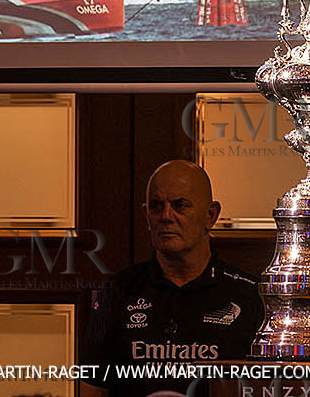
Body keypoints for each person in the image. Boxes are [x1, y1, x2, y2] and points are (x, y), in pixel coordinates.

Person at [81, 159, 265, 397]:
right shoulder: (117, 292)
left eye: (180, 205)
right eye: (156, 206)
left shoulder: (250, 296)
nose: (166, 216)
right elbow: (91, 388)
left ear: (211, 215)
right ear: (146, 215)